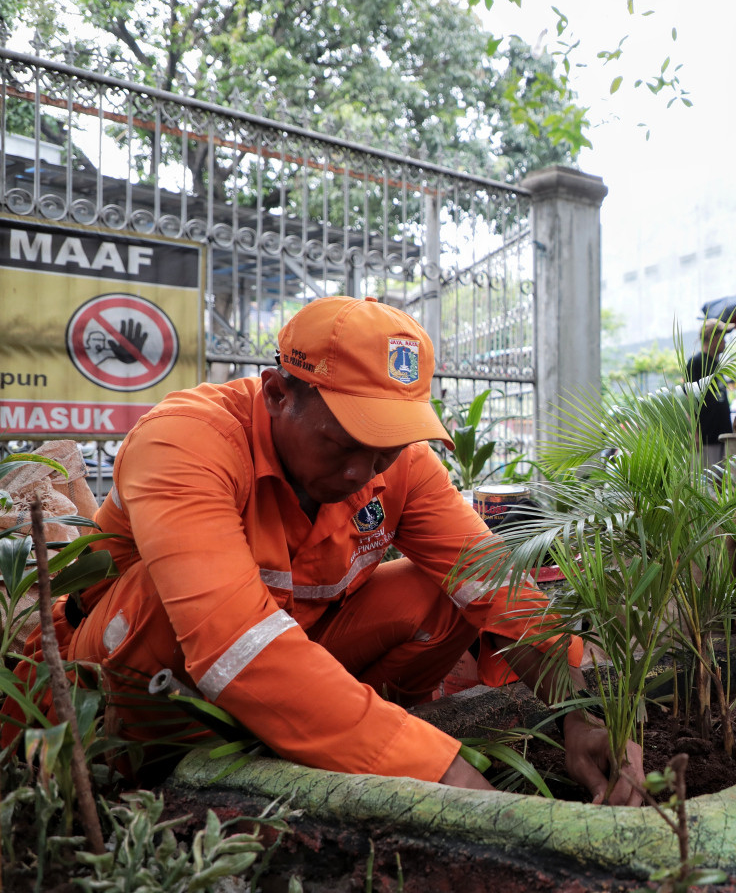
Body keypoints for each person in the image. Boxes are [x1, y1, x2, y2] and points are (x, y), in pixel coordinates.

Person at [5, 296, 644, 803]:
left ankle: (347, 731)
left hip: (288, 651)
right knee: (170, 603)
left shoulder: (399, 467)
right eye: (344, 444)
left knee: (445, 591)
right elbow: (234, 645)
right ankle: (163, 779)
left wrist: (583, 705)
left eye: (387, 448)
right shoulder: (185, 443)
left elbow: (491, 578)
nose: (366, 473)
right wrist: (441, 772)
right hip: (115, 688)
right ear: (278, 395)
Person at [686, 319, 734, 465]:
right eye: (722, 336)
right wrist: (694, 434)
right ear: (712, 337)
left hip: (723, 435)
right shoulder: (697, 362)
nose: (725, 341)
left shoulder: (717, 364)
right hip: (706, 437)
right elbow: (689, 399)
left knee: (723, 484)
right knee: (708, 484)